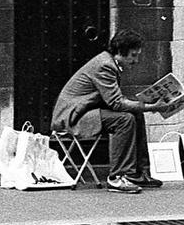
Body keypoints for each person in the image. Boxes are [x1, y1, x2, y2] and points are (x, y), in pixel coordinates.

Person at [51, 29, 169, 194]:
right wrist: (152, 107)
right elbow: (116, 103)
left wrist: (145, 103)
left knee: (135, 114)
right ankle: (117, 177)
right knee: (124, 119)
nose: (136, 60)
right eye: (133, 55)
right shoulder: (105, 65)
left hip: (87, 111)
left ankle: (136, 173)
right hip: (73, 117)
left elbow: (113, 100)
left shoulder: (109, 62)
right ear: (120, 52)